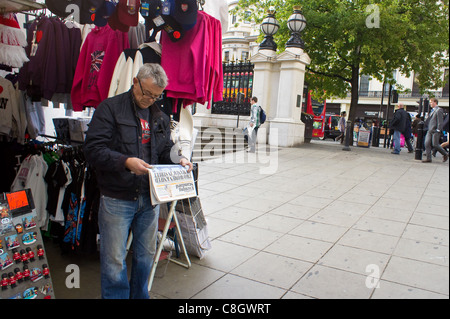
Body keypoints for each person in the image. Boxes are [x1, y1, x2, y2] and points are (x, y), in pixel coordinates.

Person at [83, 63, 193, 299]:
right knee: (114, 259)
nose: (150, 100)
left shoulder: (159, 116)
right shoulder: (110, 109)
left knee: (145, 255)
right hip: (117, 197)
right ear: (135, 81)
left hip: (150, 198)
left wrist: (179, 159)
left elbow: (164, 151)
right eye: (147, 93)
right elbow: (93, 149)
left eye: (156, 96)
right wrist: (125, 161)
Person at [423, 98, 448, 163]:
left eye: (431, 102)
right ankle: (428, 158)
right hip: (430, 130)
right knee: (427, 143)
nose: (430, 104)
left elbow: (440, 121)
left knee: (435, 144)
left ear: (435, 102)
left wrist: (438, 129)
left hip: (435, 130)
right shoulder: (432, 111)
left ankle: (445, 154)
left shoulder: (439, 110)